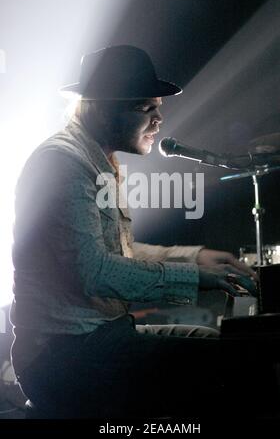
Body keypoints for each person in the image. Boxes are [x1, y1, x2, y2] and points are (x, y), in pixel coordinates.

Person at [11, 45, 265, 419]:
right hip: (64, 356)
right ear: (100, 107)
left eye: (157, 107)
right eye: (145, 108)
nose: (159, 119)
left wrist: (194, 258)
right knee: (233, 366)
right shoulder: (63, 164)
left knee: (224, 345)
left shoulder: (97, 159)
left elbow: (115, 254)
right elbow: (96, 272)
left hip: (99, 339)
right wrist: (197, 279)